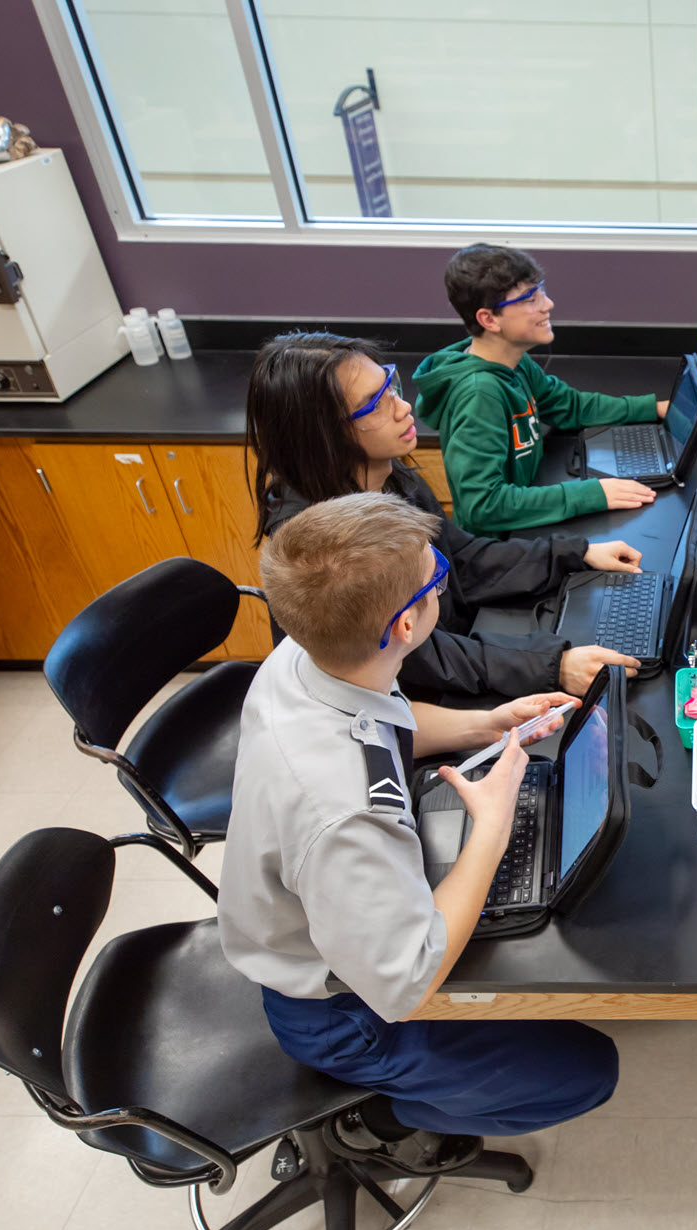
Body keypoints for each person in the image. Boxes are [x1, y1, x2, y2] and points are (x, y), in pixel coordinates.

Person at [219, 492, 619, 1170]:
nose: (444, 575)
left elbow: (383, 722)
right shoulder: (341, 809)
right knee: (586, 1069)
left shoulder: (304, 655)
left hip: (332, 910)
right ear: (408, 622)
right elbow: (408, 978)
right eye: (435, 577)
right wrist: (490, 827)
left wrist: (486, 723)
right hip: (341, 1010)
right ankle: (375, 1112)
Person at [248, 331, 643, 700]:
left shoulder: (385, 473)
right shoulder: (325, 548)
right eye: (375, 404)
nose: (403, 407)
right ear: (322, 434)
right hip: (407, 705)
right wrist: (553, 665)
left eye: (391, 386)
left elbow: (463, 559)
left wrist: (576, 554)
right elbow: (418, 658)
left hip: (453, 654)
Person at [414, 244, 667, 536]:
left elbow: (569, 406)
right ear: (489, 319)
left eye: (541, 292)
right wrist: (590, 494)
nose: (548, 304)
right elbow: (483, 506)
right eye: (530, 299)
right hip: (501, 550)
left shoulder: (514, 363)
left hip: (528, 527)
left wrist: (653, 408)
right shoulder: (479, 395)